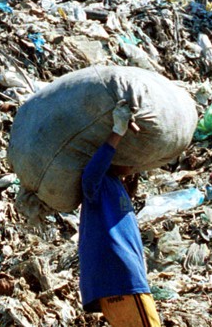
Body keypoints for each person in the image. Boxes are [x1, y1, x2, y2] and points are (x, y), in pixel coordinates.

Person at [79, 100, 160, 327]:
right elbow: (90, 175)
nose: (134, 162)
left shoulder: (114, 185)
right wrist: (117, 132)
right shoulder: (99, 183)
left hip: (123, 281)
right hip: (120, 279)